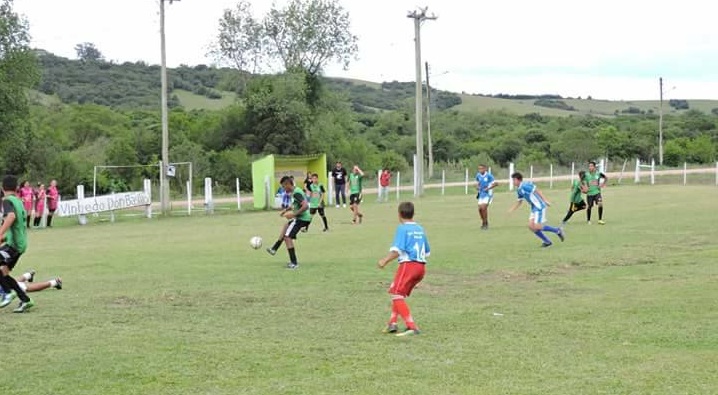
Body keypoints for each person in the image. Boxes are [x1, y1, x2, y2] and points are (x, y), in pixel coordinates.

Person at [377, 201, 430, 337]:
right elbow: (427, 251)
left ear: (399, 215)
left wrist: (385, 260)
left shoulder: (402, 229)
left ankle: (412, 326)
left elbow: (397, 250)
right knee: (397, 292)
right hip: (421, 267)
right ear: (413, 214)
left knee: (396, 294)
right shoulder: (420, 228)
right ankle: (392, 323)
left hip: (408, 265)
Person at [0, 175, 35, 312]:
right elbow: (16, 224)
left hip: (14, 245)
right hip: (18, 243)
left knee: (3, 272)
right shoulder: (18, 201)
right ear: (16, 188)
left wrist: (0, 234)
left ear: (3, 188)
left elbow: (11, 217)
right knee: (4, 272)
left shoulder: (7, 200)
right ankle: (26, 300)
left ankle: (8, 293)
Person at [265, 176, 312, 269]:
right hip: (302, 218)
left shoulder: (296, 193)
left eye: (283, 186)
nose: (283, 189)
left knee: (287, 237)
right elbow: (295, 204)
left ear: (288, 184)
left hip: (301, 219)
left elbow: (305, 206)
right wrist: (286, 210)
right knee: (286, 226)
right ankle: (274, 248)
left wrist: (293, 215)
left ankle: (294, 263)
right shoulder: (295, 191)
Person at [508, 172, 565, 248]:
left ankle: (557, 230)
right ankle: (547, 242)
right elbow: (519, 201)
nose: (513, 182)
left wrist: (545, 200)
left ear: (518, 180)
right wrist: (512, 209)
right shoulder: (519, 190)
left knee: (537, 226)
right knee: (531, 226)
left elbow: (537, 190)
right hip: (534, 207)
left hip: (539, 206)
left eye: (514, 180)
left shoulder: (525, 185)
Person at [475, 164, 497, 230]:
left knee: (483, 207)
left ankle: (485, 224)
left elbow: (496, 183)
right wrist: (477, 187)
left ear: (485, 169)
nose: (480, 170)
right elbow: (478, 183)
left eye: (482, 168)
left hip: (488, 194)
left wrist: (488, 188)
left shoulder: (489, 176)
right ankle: (484, 222)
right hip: (481, 194)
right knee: (480, 209)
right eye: (479, 169)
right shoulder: (478, 175)